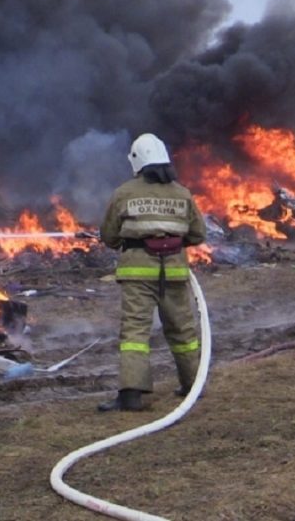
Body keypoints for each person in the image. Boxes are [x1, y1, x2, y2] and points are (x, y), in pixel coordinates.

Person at [97, 133, 207, 412]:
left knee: (135, 333)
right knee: (183, 330)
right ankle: (192, 385)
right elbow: (198, 234)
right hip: (174, 271)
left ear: (136, 161)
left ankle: (131, 396)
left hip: (137, 273)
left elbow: (108, 235)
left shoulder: (124, 192)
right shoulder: (182, 193)